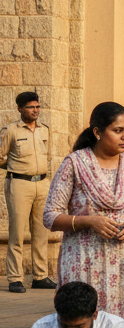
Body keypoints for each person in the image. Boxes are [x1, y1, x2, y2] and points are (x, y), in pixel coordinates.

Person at [43, 102, 124, 328]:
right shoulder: (74, 164)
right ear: (97, 132)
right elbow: (50, 216)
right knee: (84, 320)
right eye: (118, 130)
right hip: (84, 261)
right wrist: (88, 221)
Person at [1, 91, 53, 293]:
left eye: (37, 107)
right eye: (31, 107)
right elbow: (0, 156)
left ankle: (40, 276)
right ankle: (15, 278)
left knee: (41, 231)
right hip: (19, 184)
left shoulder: (44, 130)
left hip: (42, 183)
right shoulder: (10, 131)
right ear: (20, 108)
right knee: (17, 232)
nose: (35, 111)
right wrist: (15, 167)